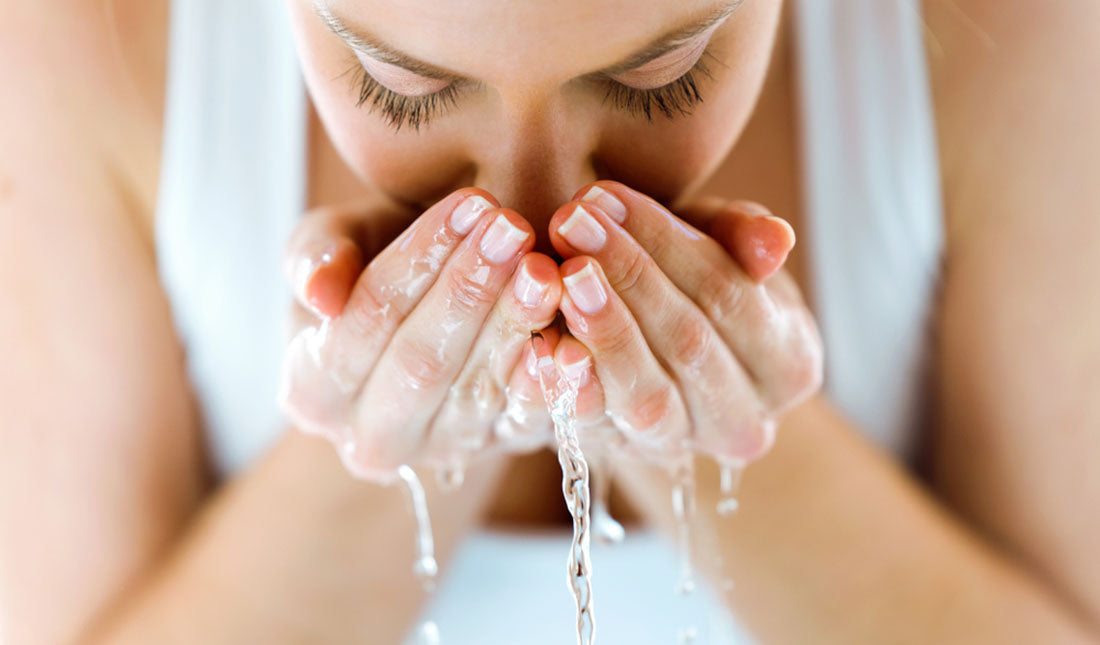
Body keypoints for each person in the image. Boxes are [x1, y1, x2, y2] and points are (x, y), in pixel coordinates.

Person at [2, 0, 1098, 643]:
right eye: (400, 87)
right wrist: (393, 449)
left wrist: (715, 433)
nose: (535, 216)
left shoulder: (1010, 37)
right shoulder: (85, 42)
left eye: (661, 78)